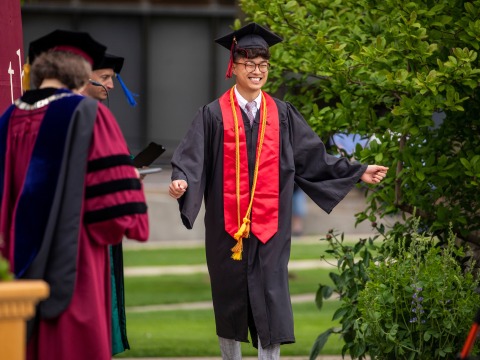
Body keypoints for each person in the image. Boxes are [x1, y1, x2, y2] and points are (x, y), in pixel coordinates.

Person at [169, 22, 388, 359]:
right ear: (234, 67)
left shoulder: (282, 114)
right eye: (249, 64)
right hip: (228, 231)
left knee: (271, 297)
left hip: (272, 229)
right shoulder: (213, 115)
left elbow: (314, 157)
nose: (257, 71)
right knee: (229, 298)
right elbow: (191, 157)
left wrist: (357, 171)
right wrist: (183, 179)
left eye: (263, 64)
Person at [0, 29, 149, 360]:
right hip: (76, 257)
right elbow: (114, 212)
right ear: (81, 72)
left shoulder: (9, 118)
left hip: (15, 259)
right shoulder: (87, 114)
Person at [81, 51, 137, 356]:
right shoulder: (76, 117)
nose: (111, 86)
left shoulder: (98, 117)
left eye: (112, 79)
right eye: (104, 78)